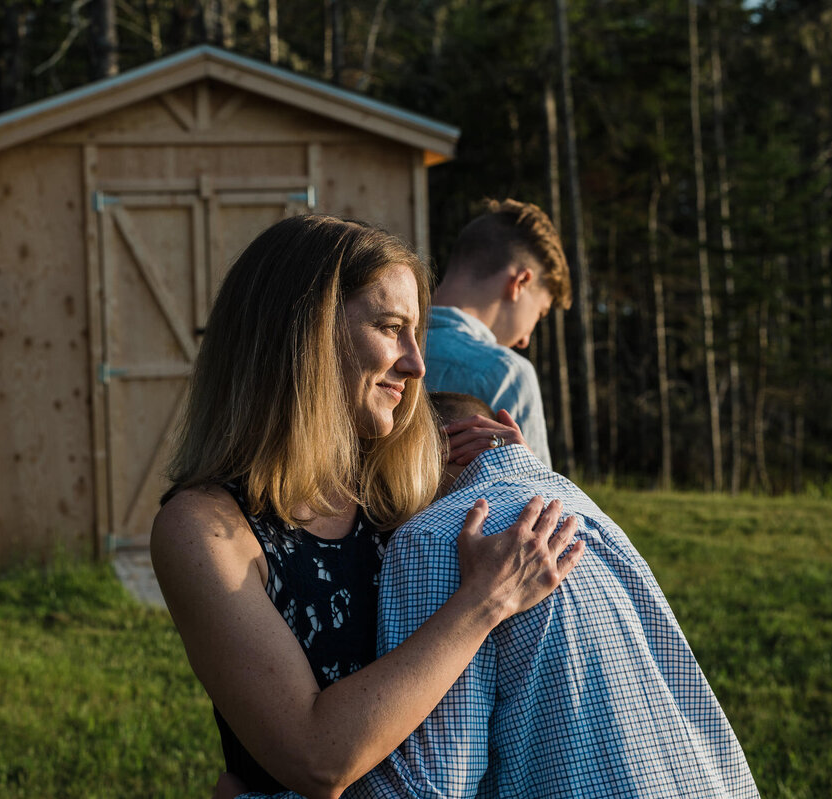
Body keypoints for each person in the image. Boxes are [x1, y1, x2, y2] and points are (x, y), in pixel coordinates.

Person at [150, 215, 585, 798]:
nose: (416, 363)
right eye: (390, 328)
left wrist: (509, 483)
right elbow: (318, 758)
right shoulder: (206, 530)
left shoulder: (399, 487)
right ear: (303, 336)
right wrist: (485, 600)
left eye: (416, 333)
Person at [348, 392, 760, 798]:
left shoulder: (435, 537)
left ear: (422, 447)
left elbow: (432, 784)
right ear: (504, 430)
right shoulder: (587, 511)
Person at [425, 199, 572, 467]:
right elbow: (541, 499)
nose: (525, 340)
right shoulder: (507, 374)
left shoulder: (374, 343)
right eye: (539, 314)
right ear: (520, 283)